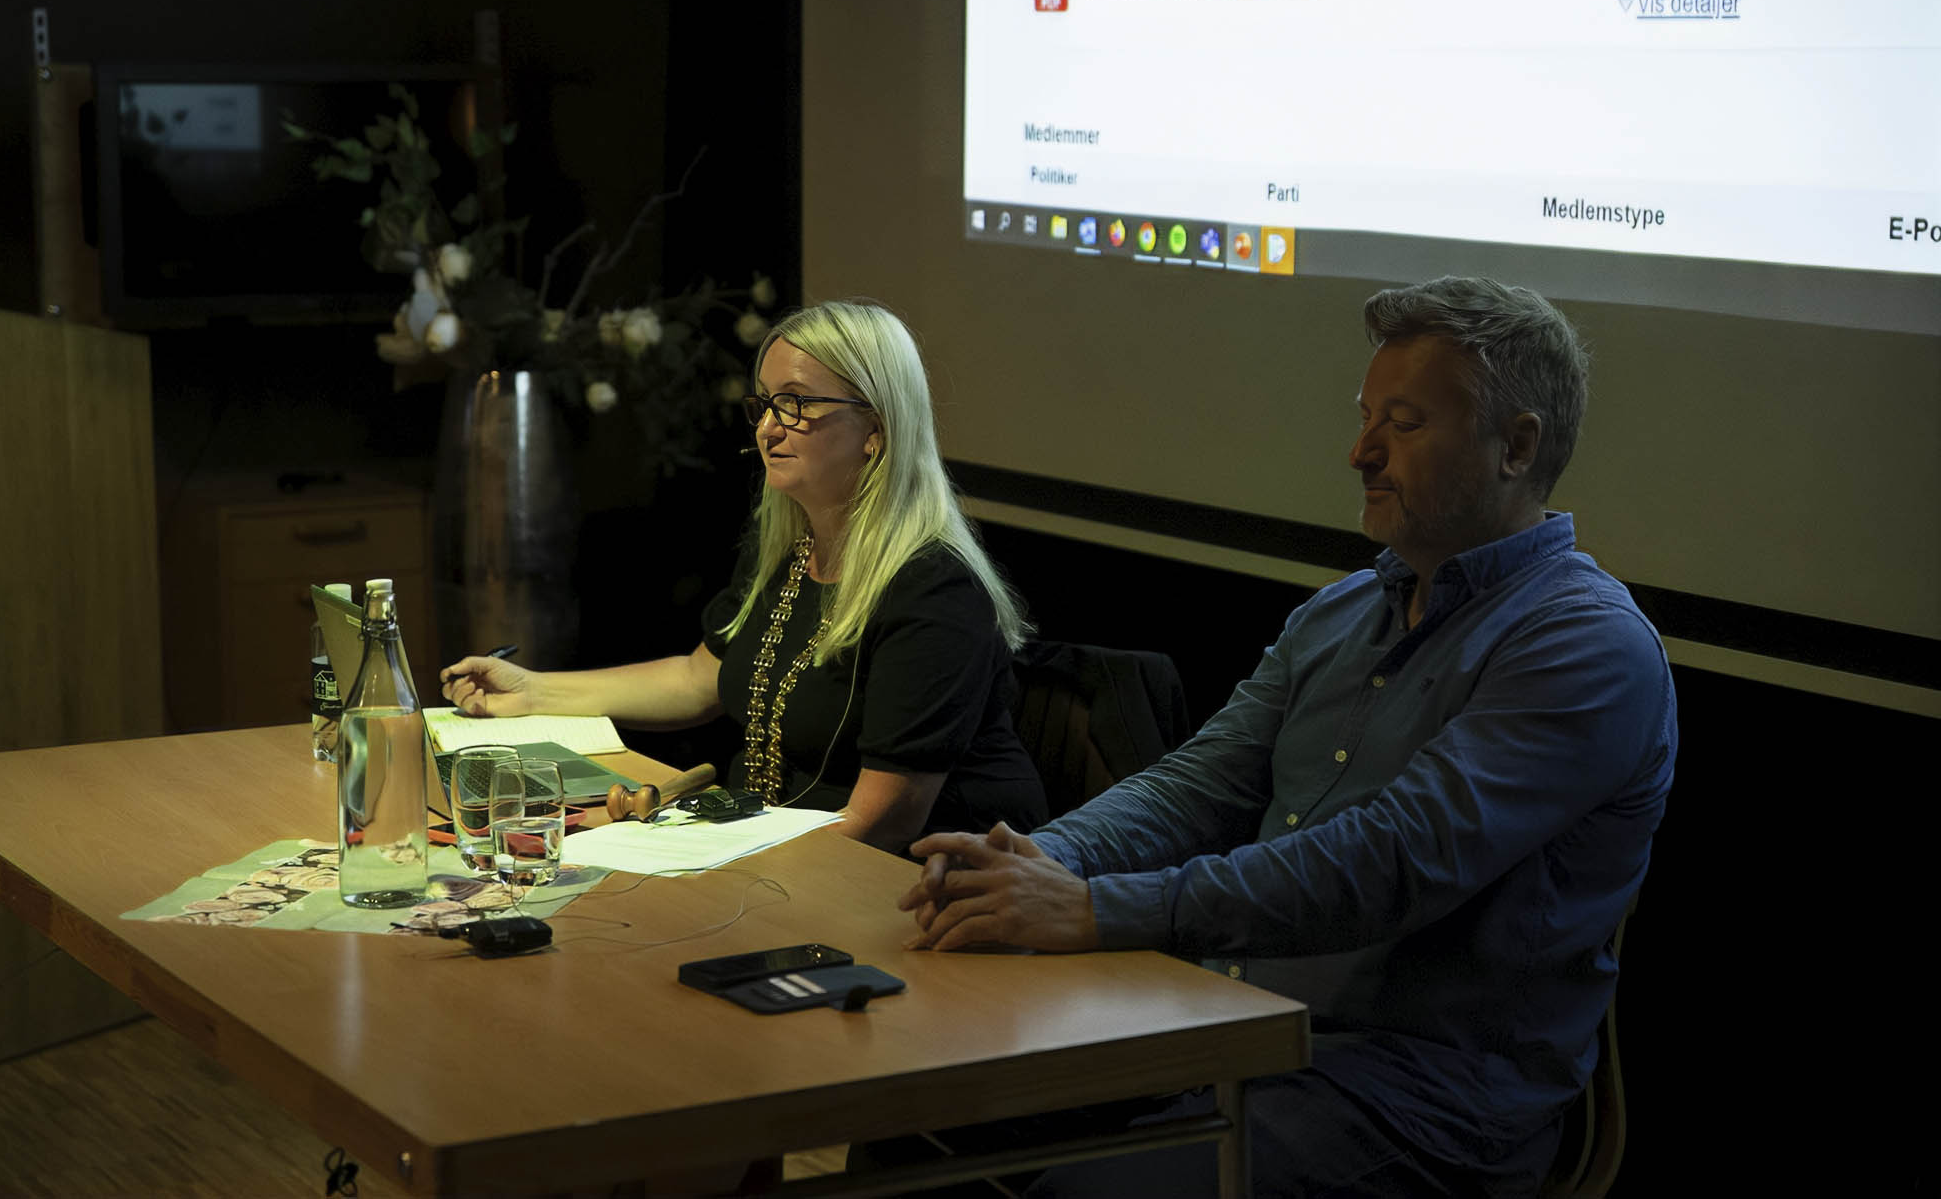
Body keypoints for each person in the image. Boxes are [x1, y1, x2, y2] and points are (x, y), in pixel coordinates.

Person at [898, 276, 1678, 1195]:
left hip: (1416, 1095)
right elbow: (1197, 786)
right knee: (903, 1111)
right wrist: (1028, 862)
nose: (1360, 453)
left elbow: (1390, 863)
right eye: (1363, 418)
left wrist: (1099, 910)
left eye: (1404, 423)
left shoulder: (1587, 644)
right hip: (1231, 1023)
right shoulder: (1344, 610)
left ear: (1516, 446)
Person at [442, 300, 1047, 853]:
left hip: (909, 888)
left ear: (877, 430)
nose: (768, 428)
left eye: (799, 404)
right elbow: (697, 679)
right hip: (772, 853)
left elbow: (880, 826)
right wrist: (533, 691)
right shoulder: (792, 550)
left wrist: (714, 862)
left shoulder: (934, 591)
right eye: (765, 403)